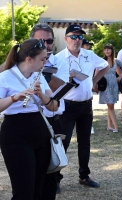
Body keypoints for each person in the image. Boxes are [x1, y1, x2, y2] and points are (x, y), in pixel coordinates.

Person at [0, 39, 59, 200]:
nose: (45, 62)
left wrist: (41, 95)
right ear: (29, 59)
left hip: (40, 130)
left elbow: (54, 106)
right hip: (15, 133)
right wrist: (14, 98)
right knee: (23, 189)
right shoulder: (5, 77)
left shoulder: (39, 77)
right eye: (42, 59)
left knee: (41, 187)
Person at [55, 24, 109, 190]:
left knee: (84, 143)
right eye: (73, 36)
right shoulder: (58, 59)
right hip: (67, 107)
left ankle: (84, 176)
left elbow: (105, 66)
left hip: (86, 106)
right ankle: (55, 179)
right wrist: (67, 81)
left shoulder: (89, 55)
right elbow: (52, 85)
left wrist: (93, 81)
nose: (77, 40)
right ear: (66, 39)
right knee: (62, 144)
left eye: (80, 37)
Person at [29, 22, 70, 197]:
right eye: (40, 41)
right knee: (29, 176)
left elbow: (59, 91)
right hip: (28, 122)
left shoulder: (60, 62)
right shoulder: (23, 62)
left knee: (51, 176)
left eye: (49, 41)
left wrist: (43, 70)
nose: (45, 45)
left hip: (52, 123)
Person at [99, 44, 122, 132]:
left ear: (112, 50)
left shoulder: (116, 61)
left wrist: (120, 77)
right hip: (105, 84)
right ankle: (116, 127)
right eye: (105, 49)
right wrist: (95, 85)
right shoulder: (102, 61)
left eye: (108, 49)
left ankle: (109, 125)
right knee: (110, 105)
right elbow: (97, 72)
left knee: (110, 105)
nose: (107, 51)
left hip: (114, 84)